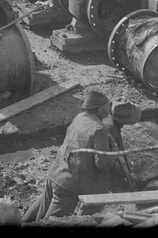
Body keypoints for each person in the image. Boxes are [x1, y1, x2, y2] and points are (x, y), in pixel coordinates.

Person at [23, 88, 119, 223]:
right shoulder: (99, 129)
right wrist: (114, 150)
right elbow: (102, 163)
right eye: (107, 104)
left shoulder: (79, 117)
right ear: (99, 109)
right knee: (51, 222)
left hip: (55, 173)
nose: (109, 106)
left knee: (40, 208)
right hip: (69, 184)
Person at [102, 99, 142, 190]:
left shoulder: (108, 115)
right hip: (92, 162)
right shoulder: (109, 129)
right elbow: (107, 162)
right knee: (116, 178)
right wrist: (126, 174)